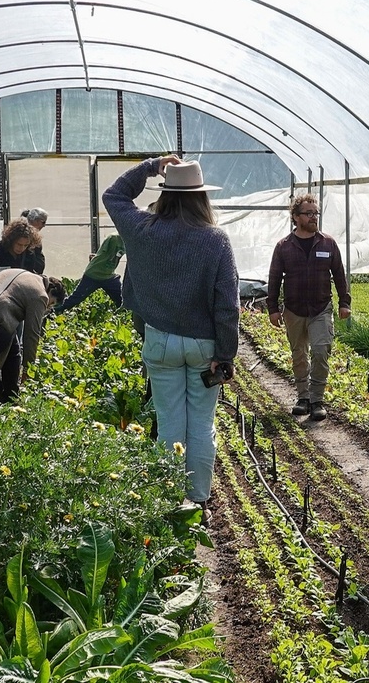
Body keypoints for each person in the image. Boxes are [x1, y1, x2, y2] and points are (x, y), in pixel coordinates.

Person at [104, 156, 238, 509]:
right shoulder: (216, 240)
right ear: (202, 197)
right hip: (204, 346)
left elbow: (113, 196)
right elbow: (228, 306)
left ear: (164, 194)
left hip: (159, 339)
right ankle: (197, 501)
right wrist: (225, 355)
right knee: (201, 425)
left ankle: (169, 499)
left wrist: (151, 165)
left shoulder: (141, 228)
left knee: (169, 425)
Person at [266, 193, 352, 422]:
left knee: (321, 351)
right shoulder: (284, 247)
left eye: (316, 213)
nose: (314, 217)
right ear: (295, 217)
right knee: (299, 355)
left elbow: (339, 275)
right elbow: (274, 278)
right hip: (293, 310)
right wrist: (272, 308)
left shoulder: (328, 243)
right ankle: (303, 397)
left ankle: (317, 400)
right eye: (309, 213)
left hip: (321, 308)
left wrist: (345, 302)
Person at [0, 271, 67, 402]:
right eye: (51, 303)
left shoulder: (26, 275)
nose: (48, 307)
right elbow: (32, 334)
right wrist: (28, 370)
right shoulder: (41, 295)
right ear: (50, 290)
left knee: (13, 353)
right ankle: (0, 400)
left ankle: (9, 396)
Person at [56, 234, 126, 314]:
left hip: (108, 276)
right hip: (93, 274)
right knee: (76, 298)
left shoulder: (129, 240)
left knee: (122, 299)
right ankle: (53, 311)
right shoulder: (114, 238)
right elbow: (102, 252)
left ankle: (127, 318)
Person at [16, 208, 48, 274]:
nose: (44, 225)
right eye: (43, 222)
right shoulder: (19, 234)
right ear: (36, 220)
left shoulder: (36, 238)